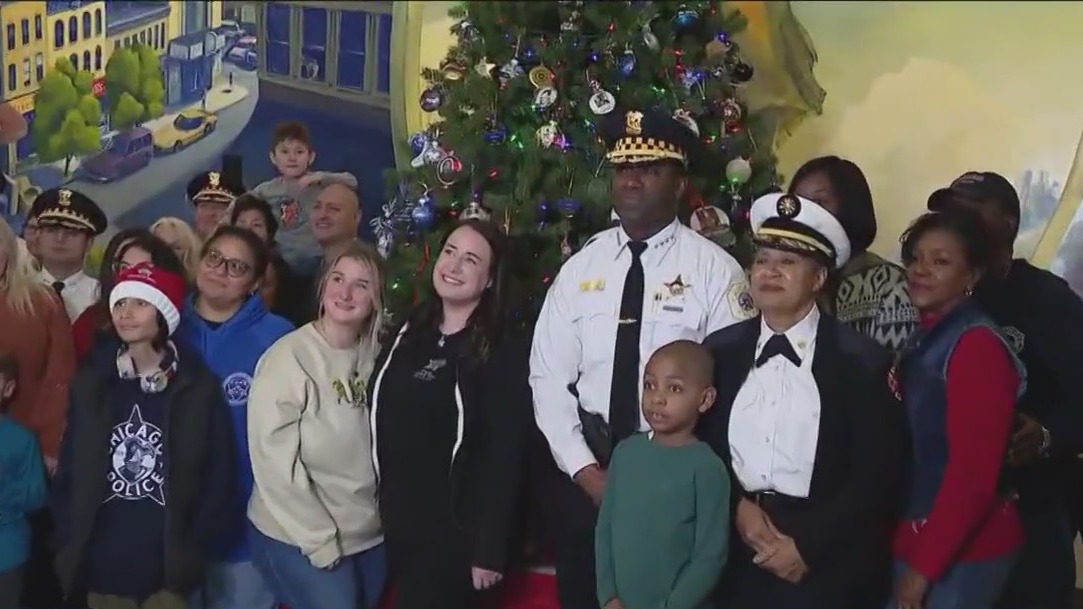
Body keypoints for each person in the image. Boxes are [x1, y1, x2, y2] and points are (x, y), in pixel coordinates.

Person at [530, 107, 754, 609]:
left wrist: (671, 478)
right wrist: (584, 470)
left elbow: (734, 390)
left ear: (679, 184)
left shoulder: (716, 271)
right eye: (622, 168)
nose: (631, 180)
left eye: (649, 168)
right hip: (586, 468)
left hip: (672, 479)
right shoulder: (581, 268)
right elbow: (547, 376)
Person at [698, 192, 906, 609]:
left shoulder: (861, 361)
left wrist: (807, 547)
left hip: (825, 561)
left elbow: (878, 475)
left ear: (818, 278)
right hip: (732, 550)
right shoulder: (719, 351)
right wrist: (739, 510)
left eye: (788, 262)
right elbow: (704, 447)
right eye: (762, 260)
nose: (769, 272)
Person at [925, 171, 1083, 609]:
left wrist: (1048, 434)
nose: (957, 220)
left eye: (971, 210)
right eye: (950, 209)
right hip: (946, 507)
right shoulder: (934, 295)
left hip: (1032, 505)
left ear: (1009, 223)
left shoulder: (1046, 300)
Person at [51, 263, 236, 609]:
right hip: (101, 566)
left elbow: (219, 475)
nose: (126, 313)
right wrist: (67, 536)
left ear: (163, 315)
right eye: (120, 304)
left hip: (165, 573)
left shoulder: (197, 388)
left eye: (140, 303)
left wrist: (193, 547)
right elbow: (69, 468)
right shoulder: (92, 383)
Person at [370, 219, 531, 609]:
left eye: (471, 260)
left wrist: (490, 548)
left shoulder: (500, 349)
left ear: (491, 279)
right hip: (400, 525)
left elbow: (507, 454)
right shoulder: (410, 331)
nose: (454, 266)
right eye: (450, 252)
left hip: (458, 534)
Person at [888, 209, 1024, 609]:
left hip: (965, 551)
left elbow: (972, 476)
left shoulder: (975, 346)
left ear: (972, 276)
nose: (921, 269)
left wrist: (922, 570)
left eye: (940, 261)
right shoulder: (926, 336)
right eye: (916, 257)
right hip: (921, 535)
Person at [248, 241, 387, 609]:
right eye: (338, 279)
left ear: (376, 298)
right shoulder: (288, 358)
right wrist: (319, 541)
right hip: (297, 532)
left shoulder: (378, 357)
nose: (346, 292)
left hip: (368, 535)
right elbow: (275, 466)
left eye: (361, 284)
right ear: (323, 287)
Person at [177, 226, 293, 609]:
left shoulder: (279, 338)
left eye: (237, 266)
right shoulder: (164, 326)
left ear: (256, 282)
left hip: (247, 526)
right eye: (214, 258)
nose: (220, 271)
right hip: (174, 522)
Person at [595, 340, 729, 609]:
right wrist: (608, 596)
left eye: (675, 388)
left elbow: (710, 556)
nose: (657, 397)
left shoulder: (707, 468)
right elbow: (605, 528)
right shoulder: (626, 453)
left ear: (705, 399)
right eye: (649, 385)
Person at [0, 217, 75, 609]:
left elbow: (59, 377)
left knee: (28, 581)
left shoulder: (41, 302)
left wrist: (49, 446)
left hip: (24, 466)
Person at [789, 155, 917, 351]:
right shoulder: (785, 277)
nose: (806, 214)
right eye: (799, 204)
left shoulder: (889, 284)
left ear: (849, 206)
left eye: (819, 202)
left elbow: (891, 372)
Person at [247, 121, 358, 274]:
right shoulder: (267, 189)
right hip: (278, 256)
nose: (292, 158)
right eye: (284, 152)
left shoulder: (319, 183)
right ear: (273, 157)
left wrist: (319, 177)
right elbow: (242, 202)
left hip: (312, 255)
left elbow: (352, 181)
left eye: (299, 152)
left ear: (310, 157)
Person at [0, 351, 47, 609]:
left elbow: (37, 495)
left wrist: (5, 486)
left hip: (7, 555)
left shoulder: (21, 439)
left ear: (8, 389)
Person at [71, 229, 152, 361]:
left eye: (141, 269)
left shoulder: (172, 324)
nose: (130, 276)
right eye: (124, 267)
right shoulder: (89, 322)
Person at [34, 187, 107, 322]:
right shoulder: (16, 289)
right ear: (38, 236)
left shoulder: (102, 297)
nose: (60, 238)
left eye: (72, 232)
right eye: (52, 230)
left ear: (89, 243)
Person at [189, 170, 245, 241]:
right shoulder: (182, 250)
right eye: (204, 207)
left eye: (220, 207)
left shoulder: (246, 251)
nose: (211, 213)